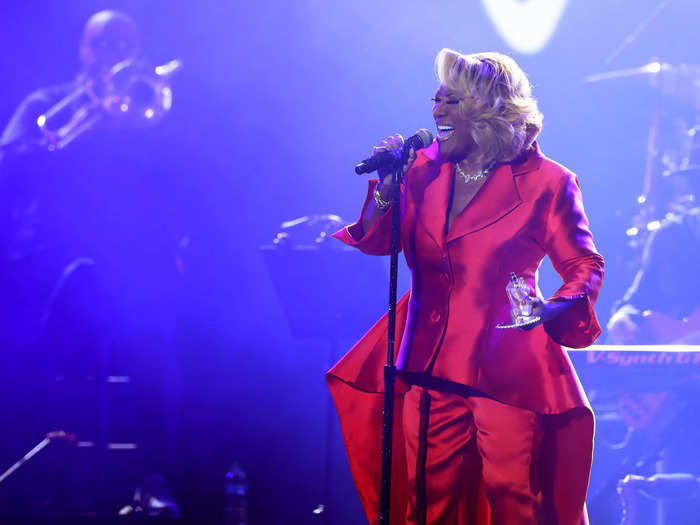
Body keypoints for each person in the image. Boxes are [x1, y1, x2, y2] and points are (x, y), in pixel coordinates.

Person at [327, 49, 604, 525]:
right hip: (427, 363)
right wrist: (387, 190)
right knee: (429, 501)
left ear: (490, 106)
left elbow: (584, 264)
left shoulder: (548, 182)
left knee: (516, 495)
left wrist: (555, 307)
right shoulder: (420, 170)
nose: (437, 112)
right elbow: (376, 241)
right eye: (436, 100)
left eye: (451, 101)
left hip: (508, 367)